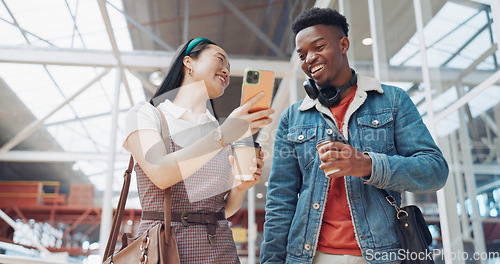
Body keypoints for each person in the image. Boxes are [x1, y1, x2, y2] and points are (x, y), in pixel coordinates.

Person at [260, 8, 448, 264]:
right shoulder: (292, 118)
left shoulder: (392, 101)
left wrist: (367, 165)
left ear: (344, 44)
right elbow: (280, 200)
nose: (309, 59)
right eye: (302, 55)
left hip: (380, 255)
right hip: (309, 256)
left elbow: (435, 171)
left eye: (318, 47)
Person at [123, 37, 274, 263]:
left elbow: (222, 210)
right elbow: (161, 174)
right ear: (188, 62)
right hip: (164, 250)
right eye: (220, 60)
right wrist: (222, 136)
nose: (226, 70)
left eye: (229, 68)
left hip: (220, 249)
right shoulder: (147, 114)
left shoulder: (220, 130)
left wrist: (240, 187)